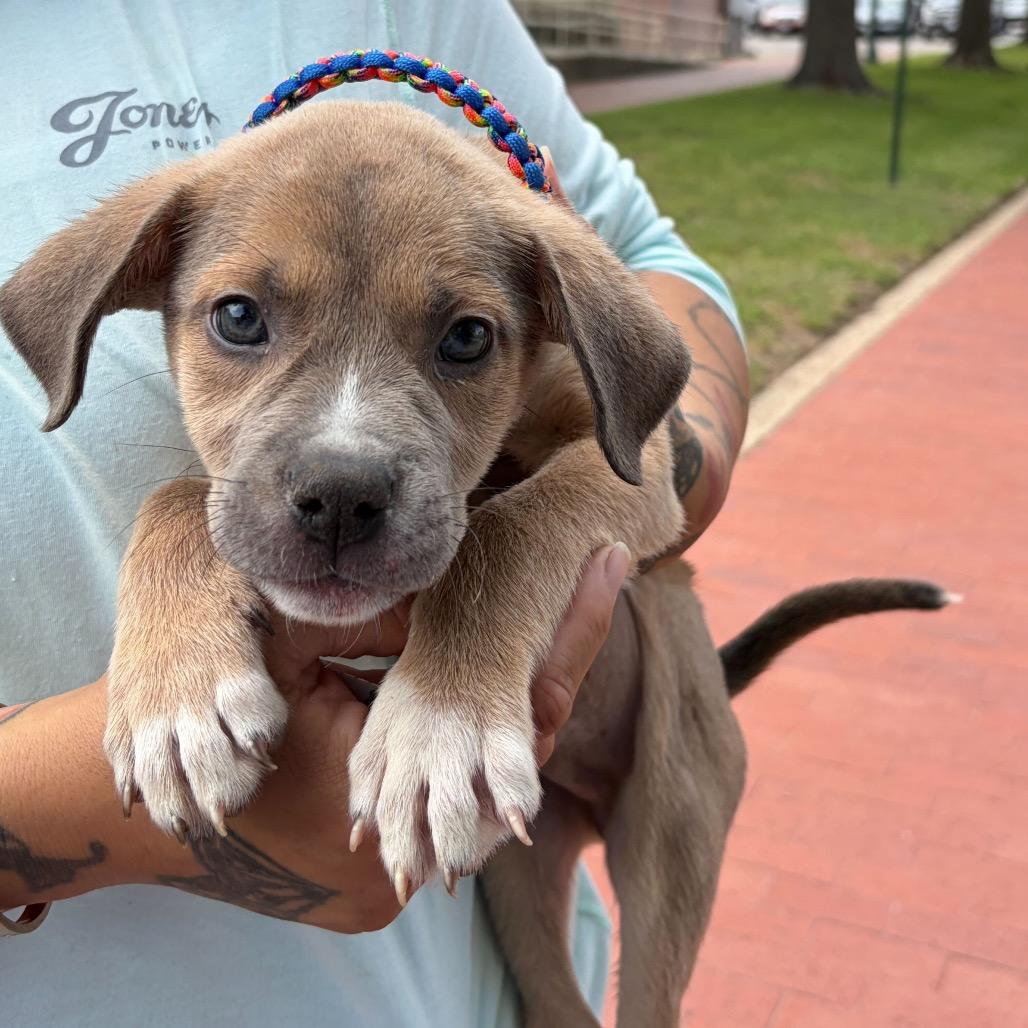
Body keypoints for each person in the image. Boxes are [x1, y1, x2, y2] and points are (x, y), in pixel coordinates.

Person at [0, 1, 748, 1023]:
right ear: (133, 281)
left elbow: (648, 419)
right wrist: (95, 800)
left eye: (463, 341)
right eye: (242, 319)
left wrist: (484, 614)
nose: (341, 467)